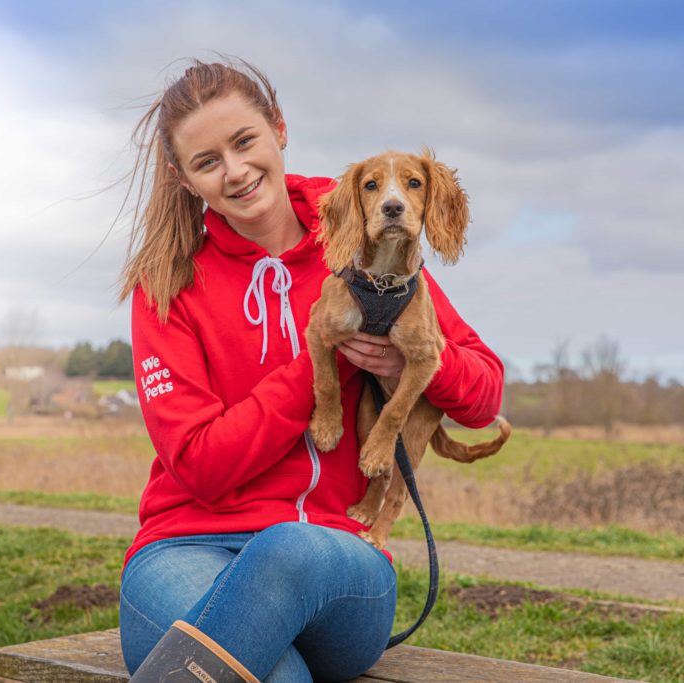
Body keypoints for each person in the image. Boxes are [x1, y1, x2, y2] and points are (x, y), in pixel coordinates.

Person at [116, 59, 503, 683]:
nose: (236, 171)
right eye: (207, 161)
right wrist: (322, 358)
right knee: (278, 675)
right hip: (185, 550)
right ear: (181, 178)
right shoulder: (167, 284)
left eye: (245, 142)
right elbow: (201, 465)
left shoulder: (369, 225)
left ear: (279, 128)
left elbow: (484, 395)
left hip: (337, 556)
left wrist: (412, 357)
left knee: (286, 548)